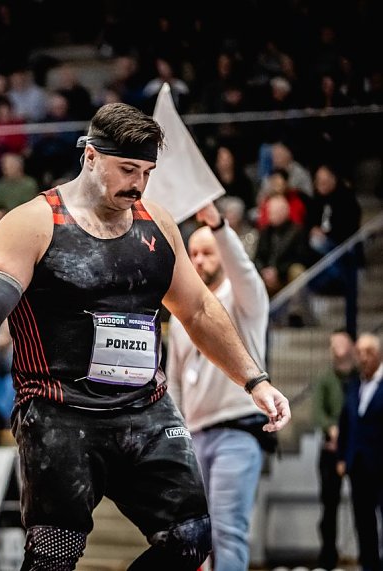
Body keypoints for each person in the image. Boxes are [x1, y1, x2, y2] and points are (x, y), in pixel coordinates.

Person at [0, 102, 291, 571]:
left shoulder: (158, 223)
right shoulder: (33, 222)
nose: (139, 184)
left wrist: (256, 380)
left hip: (145, 410)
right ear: (89, 156)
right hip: (59, 413)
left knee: (191, 539)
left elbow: (198, 308)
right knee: (54, 556)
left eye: (147, 171)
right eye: (127, 168)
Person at [166, 201, 274, 571]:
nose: (198, 260)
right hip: (194, 437)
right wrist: (176, 439)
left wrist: (219, 227)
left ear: (223, 255)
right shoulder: (181, 317)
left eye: (207, 252)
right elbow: (174, 384)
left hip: (236, 432)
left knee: (228, 531)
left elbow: (243, 269)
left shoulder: (246, 301)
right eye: (192, 253)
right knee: (196, 537)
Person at [337, 332, 383, 571]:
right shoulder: (354, 386)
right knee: (363, 522)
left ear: (379, 354)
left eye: (368, 352)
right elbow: (346, 424)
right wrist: (343, 457)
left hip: (381, 465)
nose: (363, 358)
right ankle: (369, 566)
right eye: (360, 353)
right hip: (358, 466)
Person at [312, 329, 357, 570]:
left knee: (365, 505)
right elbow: (318, 413)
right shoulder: (326, 378)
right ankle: (328, 557)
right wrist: (332, 429)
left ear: (352, 344)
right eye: (333, 343)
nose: (337, 347)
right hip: (332, 450)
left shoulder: (361, 377)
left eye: (341, 341)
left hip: (358, 451)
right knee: (329, 506)